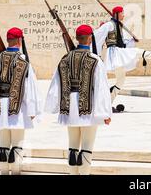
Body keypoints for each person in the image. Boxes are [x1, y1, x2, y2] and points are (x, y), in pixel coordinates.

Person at [45, 25, 112, 175]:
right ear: (90, 39)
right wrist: (105, 113)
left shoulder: (65, 59)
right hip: (88, 107)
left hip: (69, 107)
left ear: (77, 38)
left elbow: (56, 84)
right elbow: (101, 88)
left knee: (73, 146)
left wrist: (54, 107)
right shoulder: (95, 60)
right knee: (87, 145)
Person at [94, 6, 151, 112]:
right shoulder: (109, 25)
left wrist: (132, 39)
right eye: (122, 13)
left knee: (121, 81)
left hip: (119, 54)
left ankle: (108, 104)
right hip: (115, 54)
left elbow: (123, 42)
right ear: (116, 14)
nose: (123, 15)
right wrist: (95, 55)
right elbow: (96, 36)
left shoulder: (118, 25)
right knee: (138, 52)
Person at [0, 27, 41, 175]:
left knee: (3, 145)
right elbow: (29, 87)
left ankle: (3, 172)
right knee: (17, 144)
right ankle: (15, 173)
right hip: (18, 108)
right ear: (20, 41)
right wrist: (32, 110)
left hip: (0, 107)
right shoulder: (23, 60)